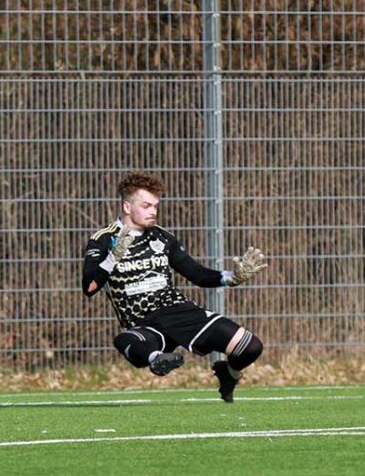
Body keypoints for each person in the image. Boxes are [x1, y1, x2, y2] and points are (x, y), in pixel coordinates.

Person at [82, 172, 267, 402]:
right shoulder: (103, 239)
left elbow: (197, 274)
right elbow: (89, 287)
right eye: (147, 205)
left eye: (155, 206)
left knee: (251, 347)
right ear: (127, 207)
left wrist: (232, 277)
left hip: (178, 312)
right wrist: (111, 259)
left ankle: (228, 373)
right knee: (126, 341)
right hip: (144, 323)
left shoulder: (162, 238)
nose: (153, 211)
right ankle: (157, 360)